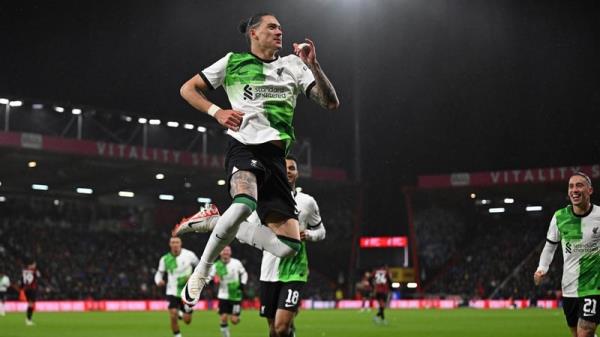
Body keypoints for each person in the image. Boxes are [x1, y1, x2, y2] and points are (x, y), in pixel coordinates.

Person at [177, 12, 339, 305]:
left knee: (289, 245)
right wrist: (218, 112)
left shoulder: (293, 65)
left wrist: (313, 65)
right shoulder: (232, 62)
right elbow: (188, 89)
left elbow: (330, 102)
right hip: (244, 147)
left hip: (277, 157)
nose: (280, 32)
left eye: (280, 27)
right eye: (272, 27)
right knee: (244, 202)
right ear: (254, 33)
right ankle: (202, 271)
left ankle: (216, 222)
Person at [258, 155, 326, 337]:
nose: (288, 171)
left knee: (281, 327)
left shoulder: (307, 202)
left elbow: (321, 231)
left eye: (292, 168)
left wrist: (309, 234)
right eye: (284, 167)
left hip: (296, 270)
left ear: (297, 173)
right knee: (273, 329)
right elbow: (249, 229)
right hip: (268, 271)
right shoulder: (264, 200)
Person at [534, 172, 600, 337]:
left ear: (590, 190)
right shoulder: (560, 217)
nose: (574, 190)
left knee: (584, 332)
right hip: (569, 287)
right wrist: (542, 268)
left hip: (593, 286)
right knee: (576, 334)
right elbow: (550, 247)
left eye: (579, 185)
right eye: (571, 186)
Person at [154, 237, 199, 337]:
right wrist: (158, 281)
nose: (175, 244)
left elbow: (199, 266)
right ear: (170, 244)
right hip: (172, 291)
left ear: (180, 243)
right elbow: (159, 273)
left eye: (177, 242)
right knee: (173, 315)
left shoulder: (189, 255)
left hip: (187, 292)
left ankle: (182, 313)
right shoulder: (165, 259)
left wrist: (194, 277)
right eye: (173, 242)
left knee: (187, 321)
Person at [208, 246, 248, 337]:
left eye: (227, 250)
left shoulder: (236, 263)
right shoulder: (216, 265)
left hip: (236, 295)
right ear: (220, 253)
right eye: (224, 250)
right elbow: (210, 277)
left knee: (234, 321)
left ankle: (237, 316)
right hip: (223, 295)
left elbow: (244, 273)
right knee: (223, 317)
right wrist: (211, 282)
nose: (225, 252)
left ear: (230, 253)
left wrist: (242, 284)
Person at [21, 259, 41, 326]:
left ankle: (28, 319)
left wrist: (22, 288)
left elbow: (22, 281)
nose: (35, 266)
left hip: (26, 289)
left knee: (30, 304)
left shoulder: (24, 271)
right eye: (34, 264)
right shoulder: (34, 271)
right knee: (31, 304)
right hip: (32, 289)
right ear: (31, 265)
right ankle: (28, 320)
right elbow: (38, 276)